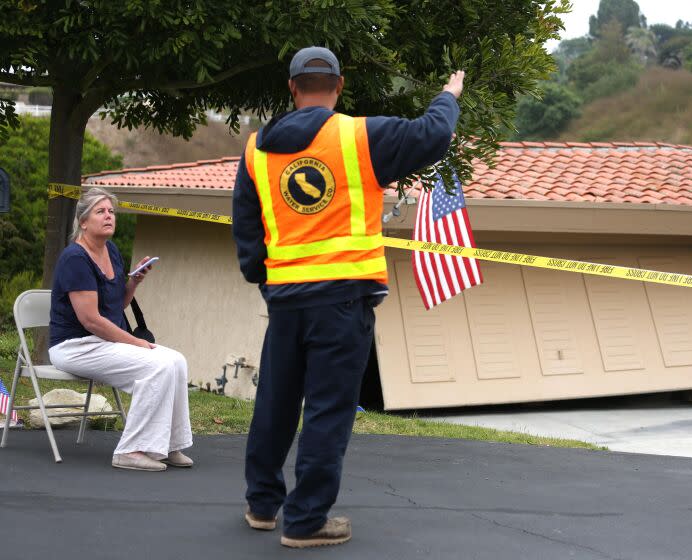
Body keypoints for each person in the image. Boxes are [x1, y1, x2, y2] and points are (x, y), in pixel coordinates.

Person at [232, 46, 464, 548]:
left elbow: (247, 232)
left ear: (292, 88)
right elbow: (435, 134)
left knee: (274, 403)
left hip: (286, 300)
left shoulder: (256, 150)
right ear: (339, 86)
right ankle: (306, 520)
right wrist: (449, 94)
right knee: (327, 410)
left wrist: (267, 278)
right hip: (341, 304)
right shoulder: (362, 136)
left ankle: (262, 504)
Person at [48, 187, 193, 472]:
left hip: (103, 341)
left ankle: (165, 445)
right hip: (75, 346)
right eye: (100, 211)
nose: (109, 216)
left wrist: (134, 283)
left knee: (176, 360)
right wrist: (135, 343)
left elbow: (115, 306)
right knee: (157, 366)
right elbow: (91, 320)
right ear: (84, 221)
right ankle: (130, 451)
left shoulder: (111, 251)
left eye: (112, 211)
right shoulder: (75, 259)